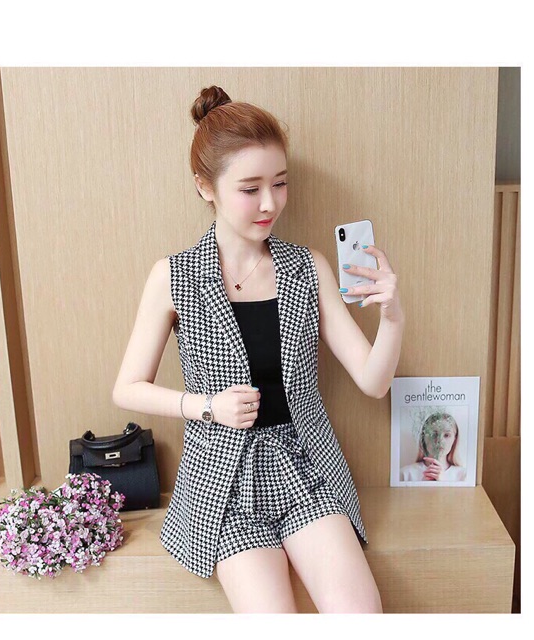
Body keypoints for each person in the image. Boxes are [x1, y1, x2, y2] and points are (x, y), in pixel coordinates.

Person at [112, 85, 405, 613]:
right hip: (223, 482)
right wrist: (206, 406)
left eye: (280, 183)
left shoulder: (308, 267)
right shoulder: (173, 276)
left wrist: (392, 316)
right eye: (250, 188)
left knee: (360, 614)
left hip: (306, 468)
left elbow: (373, 382)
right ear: (205, 187)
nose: (271, 203)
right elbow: (127, 388)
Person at [400, 412, 467, 482]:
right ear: (423, 438)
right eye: (434, 434)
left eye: (446, 435)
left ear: (454, 439)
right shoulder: (405, 474)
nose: (439, 440)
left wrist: (443, 483)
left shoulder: (463, 476)